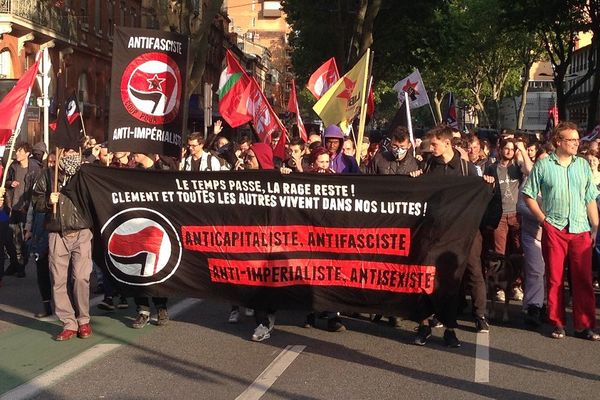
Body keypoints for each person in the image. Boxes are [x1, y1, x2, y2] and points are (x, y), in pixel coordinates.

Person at [412, 125, 494, 348]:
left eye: (435, 143)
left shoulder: (468, 169)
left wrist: (486, 185)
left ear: (447, 143)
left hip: (464, 232)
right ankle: (424, 324)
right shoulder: (428, 166)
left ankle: (454, 327)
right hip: (435, 233)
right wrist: (414, 179)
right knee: (427, 278)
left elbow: (483, 194)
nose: (432, 147)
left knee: (464, 275)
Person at [523, 122, 600, 341]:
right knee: (555, 278)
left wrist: (595, 226)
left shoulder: (583, 166)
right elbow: (528, 194)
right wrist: (543, 219)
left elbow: (590, 198)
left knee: (583, 279)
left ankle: (584, 325)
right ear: (559, 141)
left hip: (580, 228)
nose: (577, 143)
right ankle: (557, 322)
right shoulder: (544, 165)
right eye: (572, 140)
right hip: (555, 227)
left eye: (578, 140)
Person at [32, 147, 93, 341]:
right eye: (66, 152)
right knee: (58, 280)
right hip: (57, 233)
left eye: (74, 152)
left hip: (82, 231)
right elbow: (35, 200)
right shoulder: (48, 175)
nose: (70, 156)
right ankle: (68, 322)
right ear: (59, 154)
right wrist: (48, 202)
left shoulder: (85, 174)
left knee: (81, 278)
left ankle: (83, 320)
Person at [130, 153, 170, 329]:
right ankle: (143, 311)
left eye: (137, 152)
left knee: (156, 271)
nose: (133, 154)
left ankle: (161, 307)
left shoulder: (162, 171)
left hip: (156, 227)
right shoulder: (132, 173)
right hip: (137, 226)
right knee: (137, 272)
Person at [4, 142, 42, 277]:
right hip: (11, 207)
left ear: (27, 153)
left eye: (20, 151)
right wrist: (10, 183)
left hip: (26, 208)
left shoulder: (35, 169)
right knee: (11, 238)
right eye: (16, 151)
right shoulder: (13, 166)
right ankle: (15, 263)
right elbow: (6, 181)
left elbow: (38, 190)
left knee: (23, 238)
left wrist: (30, 206)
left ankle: (21, 265)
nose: (17, 154)